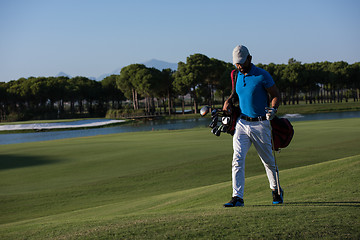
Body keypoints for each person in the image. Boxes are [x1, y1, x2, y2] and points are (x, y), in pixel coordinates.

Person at [222, 45, 283, 207]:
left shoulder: (262, 75)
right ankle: (237, 197)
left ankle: (276, 190)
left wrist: (273, 109)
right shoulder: (236, 75)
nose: (239, 66)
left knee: (268, 161)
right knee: (237, 159)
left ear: (250, 58)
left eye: (241, 63)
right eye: (236, 63)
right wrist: (228, 101)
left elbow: (276, 95)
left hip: (261, 123)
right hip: (242, 124)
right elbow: (235, 94)